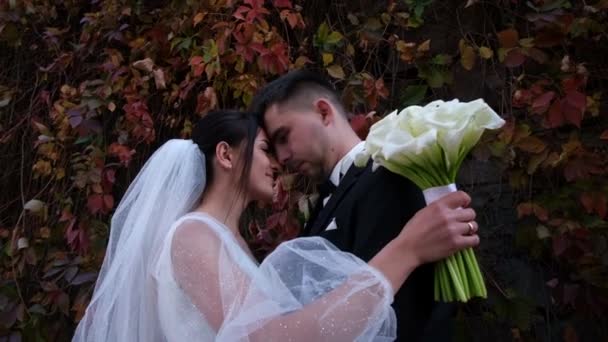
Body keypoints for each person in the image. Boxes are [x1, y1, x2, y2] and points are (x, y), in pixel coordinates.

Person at [72, 110, 479, 341]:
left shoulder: (226, 240)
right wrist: (405, 251)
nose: (277, 162)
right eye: (266, 149)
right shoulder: (192, 234)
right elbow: (270, 338)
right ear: (226, 156)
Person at [251, 70, 459, 341]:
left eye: (283, 137)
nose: (282, 157)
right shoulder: (331, 196)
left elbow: (405, 309)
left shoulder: (388, 175)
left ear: (324, 112)